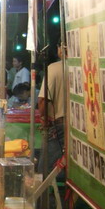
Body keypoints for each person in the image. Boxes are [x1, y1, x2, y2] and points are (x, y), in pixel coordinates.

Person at [38, 43, 66, 179]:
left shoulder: (54, 68)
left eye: (59, 46)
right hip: (78, 127)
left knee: (45, 170)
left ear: (62, 48)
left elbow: (43, 100)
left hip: (59, 125)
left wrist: (43, 118)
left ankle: (49, 193)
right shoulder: (80, 66)